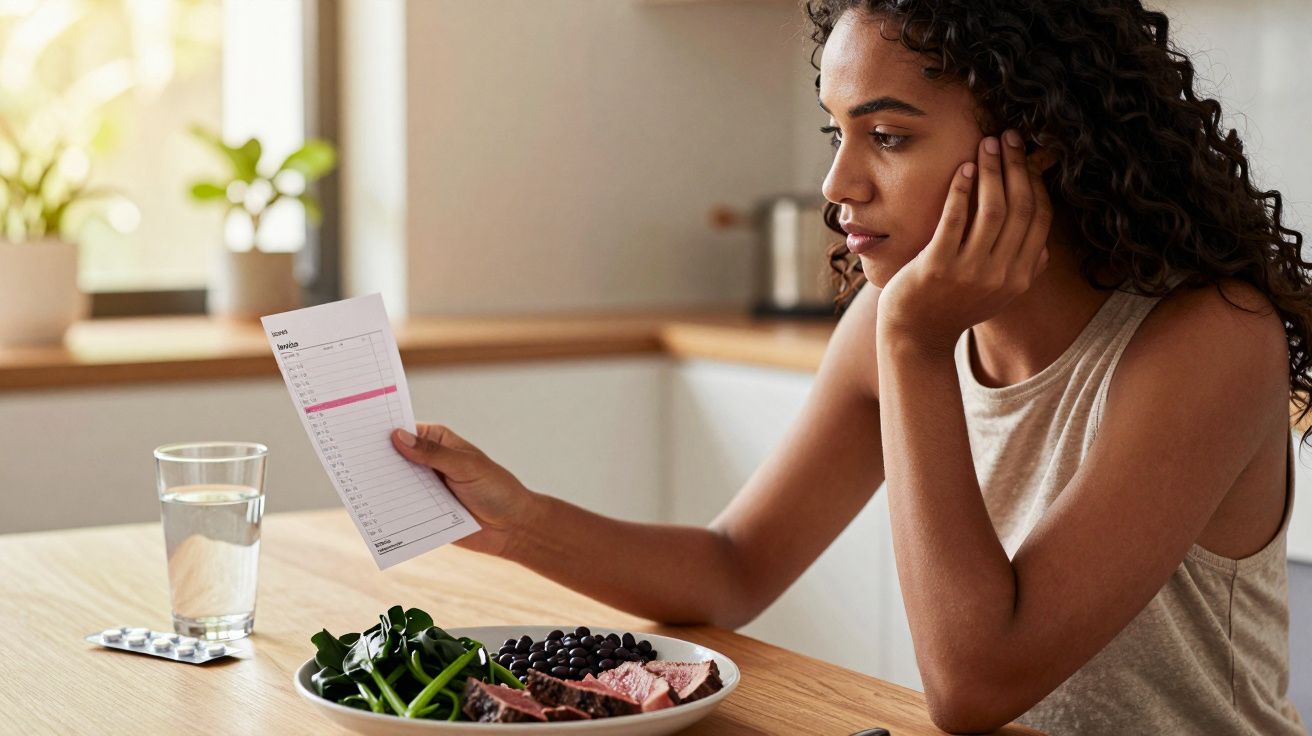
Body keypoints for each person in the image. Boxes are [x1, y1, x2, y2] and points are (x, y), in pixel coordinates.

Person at [392, 1, 1309, 732]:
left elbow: (973, 686)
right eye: (836, 132)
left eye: (891, 136)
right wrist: (517, 521)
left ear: (1041, 141)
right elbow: (732, 568)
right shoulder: (895, 314)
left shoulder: (1209, 341)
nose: (838, 184)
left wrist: (912, 344)